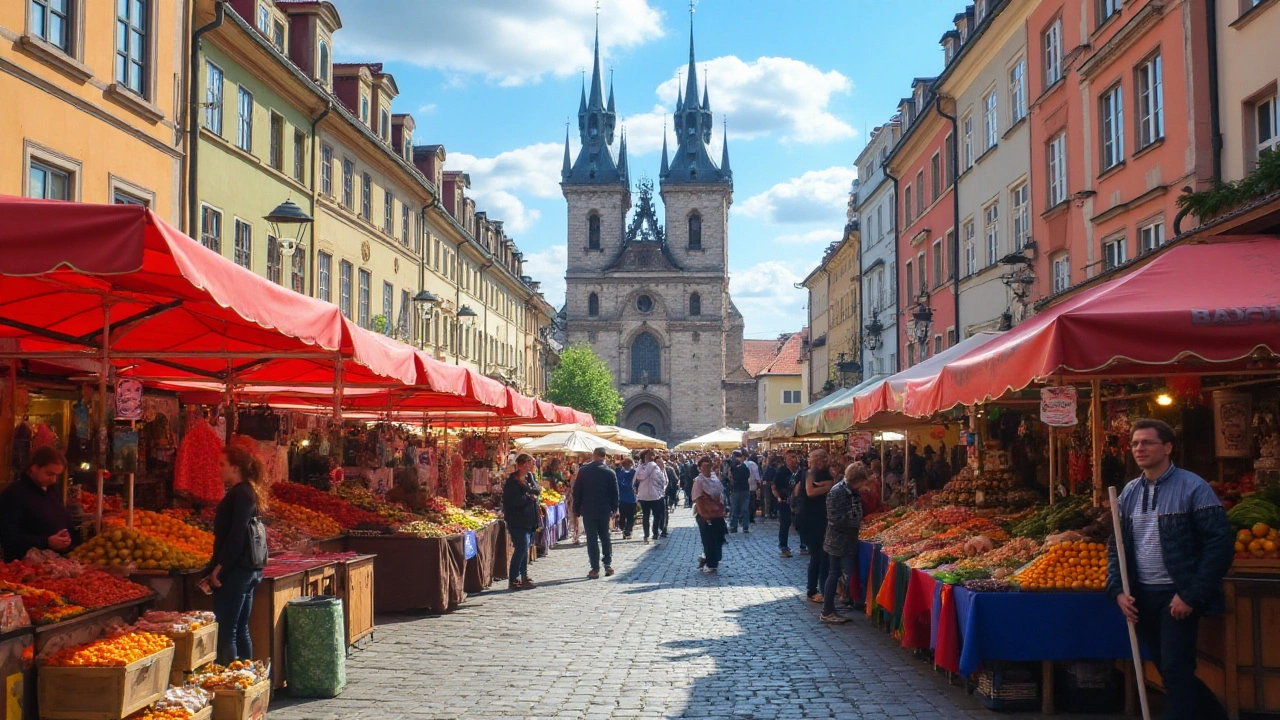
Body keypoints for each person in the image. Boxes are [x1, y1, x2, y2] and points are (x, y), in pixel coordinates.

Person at [1107, 419, 1233, 720]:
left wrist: (1190, 595)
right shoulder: (1129, 492)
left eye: (1147, 442)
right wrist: (1118, 590)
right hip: (1142, 596)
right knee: (1169, 670)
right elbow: (1117, 546)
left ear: (1167, 447)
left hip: (1177, 594)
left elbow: (1219, 544)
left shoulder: (1193, 487)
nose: (1139, 448)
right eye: (1135, 443)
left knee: (1176, 670)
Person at [199, 446, 267, 665]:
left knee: (227, 630)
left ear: (236, 468)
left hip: (236, 572)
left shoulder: (241, 494)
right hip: (245, 570)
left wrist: (219, 569)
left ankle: (230, 682)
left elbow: (236, 536)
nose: (218, 469)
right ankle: (244, 676)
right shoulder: (246, 492)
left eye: (222, 465)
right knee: (239, 628)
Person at [0, 446, 79, 561]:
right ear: (35, 468)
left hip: (57, 565)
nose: (53, 480)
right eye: (49, 474)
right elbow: (8, 537)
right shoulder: (13, 494)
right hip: (24, 567)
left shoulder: (52, 491)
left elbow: (65, 522)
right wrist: (47, 541)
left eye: (56, 475)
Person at [821, 464, 867, 624]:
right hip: (838, 540)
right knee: (835, 573)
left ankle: (831, 608)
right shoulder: (838, 492)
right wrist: (853, 522)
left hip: (847, 539)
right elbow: (834, 518)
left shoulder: (852, 492)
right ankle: (827, 610)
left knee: (840, 573)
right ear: (857, 479)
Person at [797, 448, 837, 604]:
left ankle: (822, 588)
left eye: (813, 460)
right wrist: (829, 486)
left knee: (823, 556)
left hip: (821, 518)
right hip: (811, 519)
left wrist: (830, 483)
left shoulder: (824, 473)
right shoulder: (810, 473)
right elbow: (810, 491)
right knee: (818, 556)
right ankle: (813, 590)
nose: (811, 462)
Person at [573, 448, 619, 579]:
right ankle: (608, 564)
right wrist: (615, 509)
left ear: (593, 456)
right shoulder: (610, 472)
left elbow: (577, 492)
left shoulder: (584, 471)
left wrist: (576, 508)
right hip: (604, 510)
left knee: (592, 539)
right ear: (604, 457)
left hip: (588, 509)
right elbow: (615, 493)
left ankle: (595, 568)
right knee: (605, 537)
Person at [502, 454, 541, 590]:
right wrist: (530, 497)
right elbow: (512, 502)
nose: (533, 466)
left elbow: (537, 490)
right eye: (531, 463)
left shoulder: (530, 477)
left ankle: (523, 576)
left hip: (530, 519)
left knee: (525, 549)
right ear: (524, 464)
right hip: (517, 520)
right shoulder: (512, 481)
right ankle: (513, 578)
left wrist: (530, 492)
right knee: (521, 548)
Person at [692, 456, 728, 573]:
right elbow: (698, 500)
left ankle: (710, 558)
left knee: (718, 538)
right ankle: (711, 562)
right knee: (708, 539)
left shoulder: (715, 479)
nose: (706, 468)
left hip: (717, 513)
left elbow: (721, 495)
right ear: (700, 468)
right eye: (704, 466)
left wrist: (722, 509)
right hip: (705, 514)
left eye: (708, 466)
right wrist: (704, 516)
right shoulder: (699, 481)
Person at [634, 450, 667, 544]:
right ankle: (655, 533)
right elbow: (663, 480)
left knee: (646, 515)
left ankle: (646, 534)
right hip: (654, 495)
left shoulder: (641, 468)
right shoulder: (656, 467)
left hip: (644, 495)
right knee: (655, 515)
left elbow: (637, 479)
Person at [773, 450, 800, 558]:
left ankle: (803, 546)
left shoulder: (799, 471)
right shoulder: (782, 471)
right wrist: (779, 497)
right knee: (785, 523)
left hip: (797, 501)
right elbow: (774, 486)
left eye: (795, 457)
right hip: (785, 501)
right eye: (791, 457)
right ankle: (783, 546)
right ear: (786, 460)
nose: (794, 460)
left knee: (799, 522)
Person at [726, 450, 752, 534]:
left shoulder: (738, 468)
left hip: (738, 490)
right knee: (742, 509)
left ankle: (735, 526)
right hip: (742, 490)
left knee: (736, 509)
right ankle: (743, 526)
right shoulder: (744, 467)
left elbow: (732, 478)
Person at [615, 457, 638, 540]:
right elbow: (637, 483)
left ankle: (624, 529)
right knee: (630, 516)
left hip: (621, 498)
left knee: (622, 516)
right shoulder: (634, 472)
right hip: (631, 498)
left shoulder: (619, 472)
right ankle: (627, 530)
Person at [745, 453, 762, 522]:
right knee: (752, 501)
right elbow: (756, 475)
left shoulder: (745, 463)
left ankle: (746, 516)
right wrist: (759, 482)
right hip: (752, 486)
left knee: (746, 502)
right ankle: (751, 517)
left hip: (745, 486)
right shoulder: (754, 465)